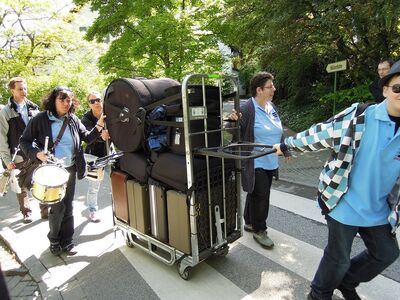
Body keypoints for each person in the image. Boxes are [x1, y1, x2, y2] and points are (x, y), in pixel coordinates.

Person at [273, 60, 400, 300]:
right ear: (385, 90)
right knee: (338, 258)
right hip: (343, 200)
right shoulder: (360, 116)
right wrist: (286, 146)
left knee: (386, 254)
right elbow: (320, 133)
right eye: (397, 88)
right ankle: (319, 294)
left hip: (379, 208)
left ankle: (346, 282)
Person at [20, 86, 105, 255]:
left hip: (71, 170)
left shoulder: (72, 119)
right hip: (52, 171)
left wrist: (101, 123)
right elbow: (24, 141)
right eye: (62, 99)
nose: (67, 103)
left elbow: (86, 137)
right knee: (58, 209)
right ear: (53, 100)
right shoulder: (40, 119)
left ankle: (67, 241)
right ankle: (54, 240)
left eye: (69, 100)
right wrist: (36, 154)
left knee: (68, 206)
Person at [229, 71, 290, 249]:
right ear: (259, 89)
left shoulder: (271, 106)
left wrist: (285, 148)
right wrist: (232, 122)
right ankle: (259, 230)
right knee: (262, 196)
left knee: (256, 193)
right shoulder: (247, 108)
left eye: (273, 86)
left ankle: (249, 221)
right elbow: (233, 130)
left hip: (270, 159)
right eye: (270, 87)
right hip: (254, 160)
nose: (274, 89)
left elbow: (278, 130)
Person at [0, 77, 48, 223]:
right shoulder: (6, 112)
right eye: (20, 89)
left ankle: (45, 211)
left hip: (35, 153)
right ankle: (26, 212)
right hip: (18, 155)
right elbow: (1, 138)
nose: (23, 91)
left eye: (25, 88)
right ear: (12, 90)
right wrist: (7, 160)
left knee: (41, 181)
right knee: (20, 186)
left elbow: (42, 131)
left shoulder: (33, 108)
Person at [81, 91, 110, 222]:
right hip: (94, 155)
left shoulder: (110, 112)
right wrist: (101, 136)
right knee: (94, 186)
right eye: (92, 101)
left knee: (118, 181)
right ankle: (93, 211)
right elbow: (88, 136)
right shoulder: (86, 118)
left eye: (98, 100)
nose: (96, 103)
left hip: (112, 153)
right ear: (89, 104)